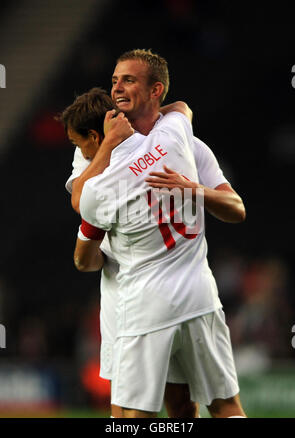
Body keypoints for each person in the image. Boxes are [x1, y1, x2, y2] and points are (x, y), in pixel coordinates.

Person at [65, 49, 246, 418]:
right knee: (223, 407)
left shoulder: (100, 171)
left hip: (142, 306)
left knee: (130, 418)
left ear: (154, 90)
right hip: (197, 297)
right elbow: (181, 108)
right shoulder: (178, 133)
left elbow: (82, 213)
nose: (117, 87)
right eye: (115, 79)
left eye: (128, 80)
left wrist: (195, 190)